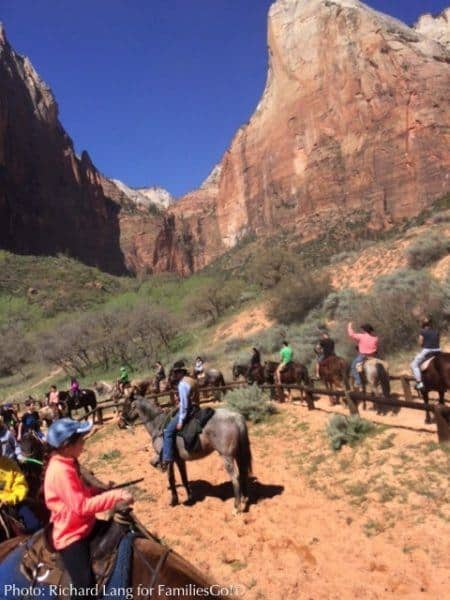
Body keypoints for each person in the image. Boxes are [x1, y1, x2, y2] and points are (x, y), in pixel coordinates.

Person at [44, 418, 134, 596]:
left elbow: (78, 494)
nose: (84, 444)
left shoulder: (66, 463)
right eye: (81, 441)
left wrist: (98, 491)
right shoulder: (60, 471)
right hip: (71, 535)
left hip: (85, 525)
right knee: (85, 589)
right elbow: (81, 507)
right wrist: (115, 495)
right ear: (67, 446)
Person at [161, 366, 199, 469]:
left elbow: (185, 405)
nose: (175, 375)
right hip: (196, 408)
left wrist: (181, 420)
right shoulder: (192, 380)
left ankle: (167, 458)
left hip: (189, 410)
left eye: (176, 373)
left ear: (180, 373)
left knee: (168, 431)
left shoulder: (182, 384)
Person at [410, 317, 441, 390]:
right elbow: (438, 341)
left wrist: (424, 344)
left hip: (427, 350)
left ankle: (419, 383)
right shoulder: (436, 331)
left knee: (414, 365)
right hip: (438, 350)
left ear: (423, 324)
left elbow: (420, 343)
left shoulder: (422, 332)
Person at [347, 322, 378, 389]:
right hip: (373, 356)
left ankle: (358, 382)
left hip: (363, 356)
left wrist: (349, 326)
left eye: (362, 329)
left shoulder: (361, 336)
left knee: (353, 367)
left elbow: (351, 335)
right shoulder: (375, 338)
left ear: (364, 330)